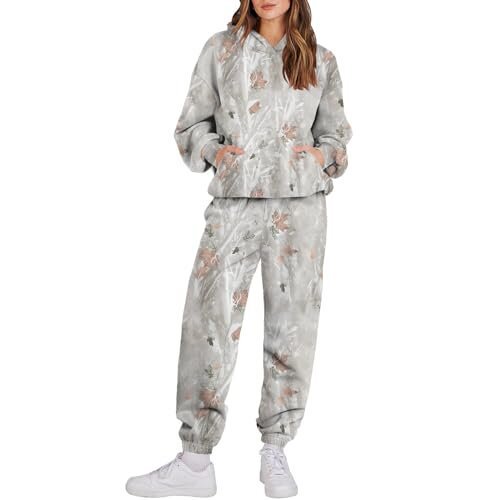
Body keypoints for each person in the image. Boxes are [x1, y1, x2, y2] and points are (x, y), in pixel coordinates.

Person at [125, 0, 353, 497]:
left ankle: (275, 450)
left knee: (293, 327)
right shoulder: (220, 50)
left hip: (300, 209)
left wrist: (321, 155)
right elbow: (191, 126)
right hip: (235, 204)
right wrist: (215, 151)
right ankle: (195, 461)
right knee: (208, 319)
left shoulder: (320, 59)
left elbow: (337, 137)